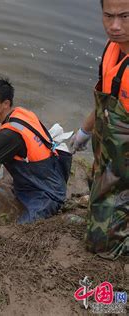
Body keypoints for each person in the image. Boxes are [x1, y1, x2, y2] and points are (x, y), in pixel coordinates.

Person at [70, 0, 129, 258]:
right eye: (108, 16)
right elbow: (105, 95)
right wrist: (83, 132)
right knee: (97, 195)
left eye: (125, 17)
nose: (115, 26)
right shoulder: (112, 48)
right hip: (107, 154)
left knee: (100, 246)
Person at [0, 78, 72, 224]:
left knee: (18, 231)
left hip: (47, 196)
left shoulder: (7, 135)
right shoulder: (23, 113)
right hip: (55, 176)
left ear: (5, 103)